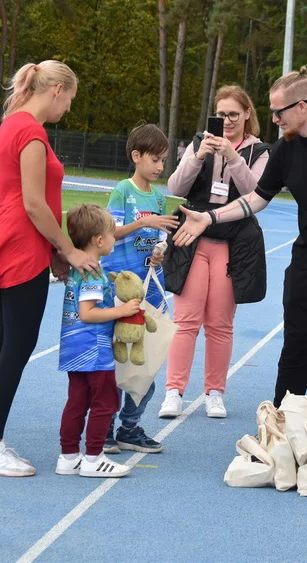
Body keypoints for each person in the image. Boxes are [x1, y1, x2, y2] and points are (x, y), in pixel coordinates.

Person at [172, 67, 307, 408]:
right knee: (293, 359)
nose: (273, 118)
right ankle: (281, 433)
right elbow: (257, 197)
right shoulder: (284, 149)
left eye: (279, 111)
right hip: (306, 269)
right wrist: (209, 217)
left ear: (302, 106)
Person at [0, 60, 100, 477]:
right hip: (21, 245)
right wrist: (70, 251)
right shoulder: (31, 132)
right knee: (15, 348)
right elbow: (35, 203)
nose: (69, 109)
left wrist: (54, 251)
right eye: (70, 99)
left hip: (17, 241)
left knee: (2, 344)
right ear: (56, 89)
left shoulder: (12, 124)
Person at [160, 86, 270, 420]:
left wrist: (234, 158)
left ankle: (215, 392)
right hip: (192, 240)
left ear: (247, 114)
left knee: (220, 323)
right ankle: (174, 391)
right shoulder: (198, 144)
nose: (226, 121)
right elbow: (176, 188)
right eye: (220, 114)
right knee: (185, 320)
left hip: (232, 244)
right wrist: (198, 156)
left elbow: (255, 193)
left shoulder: (260, 152)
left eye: (233, 114)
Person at [101, 124, 178, 454]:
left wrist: (161, 251)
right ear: (136, 156)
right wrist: (142, 223)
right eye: (156, 160)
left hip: (151, 290)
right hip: (119, 290)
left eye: (164, 160)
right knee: (115, 362)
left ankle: (129, 427)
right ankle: (103, 426)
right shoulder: (123, 190)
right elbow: (108, 233)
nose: (161, 167)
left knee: (146, 361)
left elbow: (159, 240)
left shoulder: (159, 197)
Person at [56, 204, 138, 478]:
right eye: (112, 235)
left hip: (74, 348)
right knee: (106, 402)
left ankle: (68, 455)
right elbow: (88, 313)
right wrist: (123, 311)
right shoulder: (93, 272)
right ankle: (94, 456)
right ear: (99, 240)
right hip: (94, 349)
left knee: (77, 402)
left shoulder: (80, 269)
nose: (115, 239)